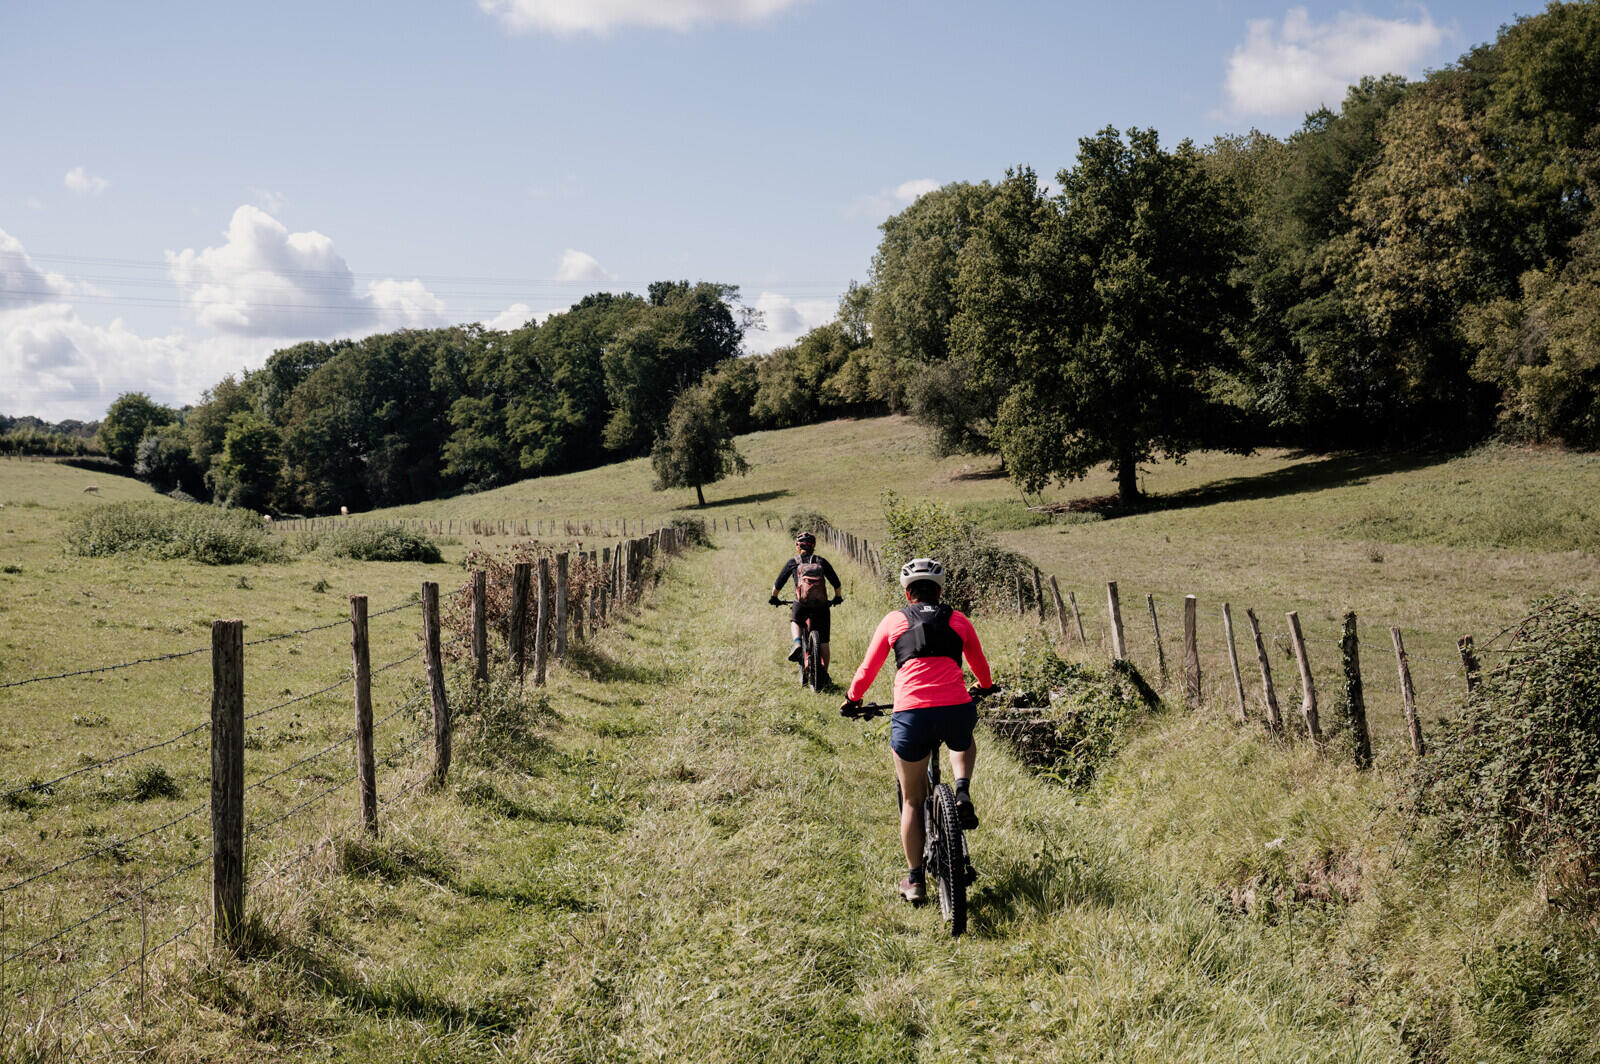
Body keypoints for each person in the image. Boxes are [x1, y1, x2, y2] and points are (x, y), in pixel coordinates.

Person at [839, 557, 993, 904]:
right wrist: (984, 686)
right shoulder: (958, 619)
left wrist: (853, 699)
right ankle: (963, 790)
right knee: (963, 737)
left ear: (907, 593)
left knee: (912, 799)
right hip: (955, 708)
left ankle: (914, 880)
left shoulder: (895, 620)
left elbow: (868, 668)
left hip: (912, 715)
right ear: (940, 591)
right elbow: (979, 664)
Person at [767, 531, 844, 685]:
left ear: (798, 546)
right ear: (813, 546)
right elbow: (836, 583)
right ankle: (825, 675)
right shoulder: (821, 561)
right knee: (824, 642)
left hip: (801, 604)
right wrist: (837, 597)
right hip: (821, 606)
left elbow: (778, 583)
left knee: (795, 620)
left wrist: (774, 598)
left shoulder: (793, 562)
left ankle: (797, 642)